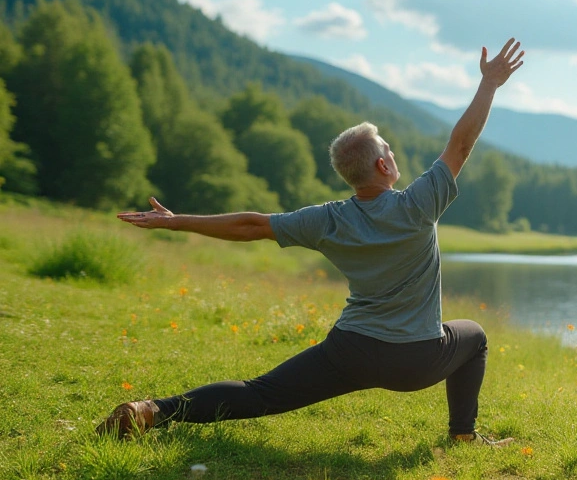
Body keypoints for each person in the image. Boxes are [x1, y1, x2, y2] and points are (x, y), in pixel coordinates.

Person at [97, 38, 525, 445]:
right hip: (417, 360)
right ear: (383, 165)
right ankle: (463, 434)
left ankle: (150, 411)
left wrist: (176, 222)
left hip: (352, 350)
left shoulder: (327, 220)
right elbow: (461, 143)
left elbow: (251, 225)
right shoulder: (419, 205)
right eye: (390, 150)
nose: (394, 155)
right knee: (475, 336)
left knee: (260, 392)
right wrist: (489, 83)